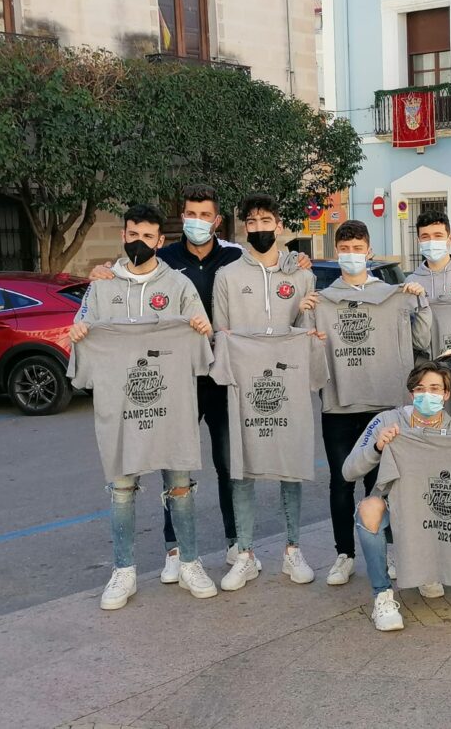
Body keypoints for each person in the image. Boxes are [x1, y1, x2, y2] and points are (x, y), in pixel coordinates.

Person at [88, 185, 313, 581]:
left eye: (204, 215)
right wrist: (104, 270)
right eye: (190, 214)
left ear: (217, 221)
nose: (197, 221)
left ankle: (235, 543)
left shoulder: (233, 257)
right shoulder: (165, 259)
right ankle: (175, 548)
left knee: (230, 462)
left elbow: (270, 261)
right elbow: (131, 270)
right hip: (179, 377)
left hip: (226, 375)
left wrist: (296, 258)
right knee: (171, 460)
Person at [70, 204, 217, 609]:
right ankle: (123, 570)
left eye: (148, 236)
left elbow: (202, 342)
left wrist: (201, 329)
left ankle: (189, 561)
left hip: (171, 408)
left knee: (181, 487)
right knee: (121, 491)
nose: (139, 242)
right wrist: (80, 333)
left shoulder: (179, 285)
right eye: (133, 235)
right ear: (123, 236)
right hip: (120, 411)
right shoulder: (101, 287)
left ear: (160, 241)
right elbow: (81, 338)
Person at [343, 361, 451, 631]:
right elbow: (348, 471)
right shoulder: (387, 421)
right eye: (420, 389)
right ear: (411, 393)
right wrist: (377, 447)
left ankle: (427, 569)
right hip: (399, 510)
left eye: (435, 389)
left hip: (432, 518)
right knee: (369, 508)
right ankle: (382, 595)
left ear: (446, 394)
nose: (427, 395)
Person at [207, 192, 320, 590]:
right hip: (244, 385)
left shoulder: (301, 274)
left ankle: (293, 549)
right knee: (242, 468)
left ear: (279, 225)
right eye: (251, 222)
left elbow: (309, 332)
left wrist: (304, 312)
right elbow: (222, 333)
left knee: (290, 465)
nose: (259, 228)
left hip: (287, 383)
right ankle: (246, 554)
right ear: (244, 228)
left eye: (265, 221)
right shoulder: (228, 276)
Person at [310, 220, 433, 587]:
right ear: (337, 252)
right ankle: (344, 555)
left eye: (357, 248)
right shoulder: (321, 300)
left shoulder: (392, 295)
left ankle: (384, 551)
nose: (351, 255)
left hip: (384, 404)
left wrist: (421, 302)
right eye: (345, 249)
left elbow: (422, 341)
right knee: (340, 481)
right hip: (339, 404)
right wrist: (306, 319)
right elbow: (308, 356)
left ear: (369, 252)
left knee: (381, 484)